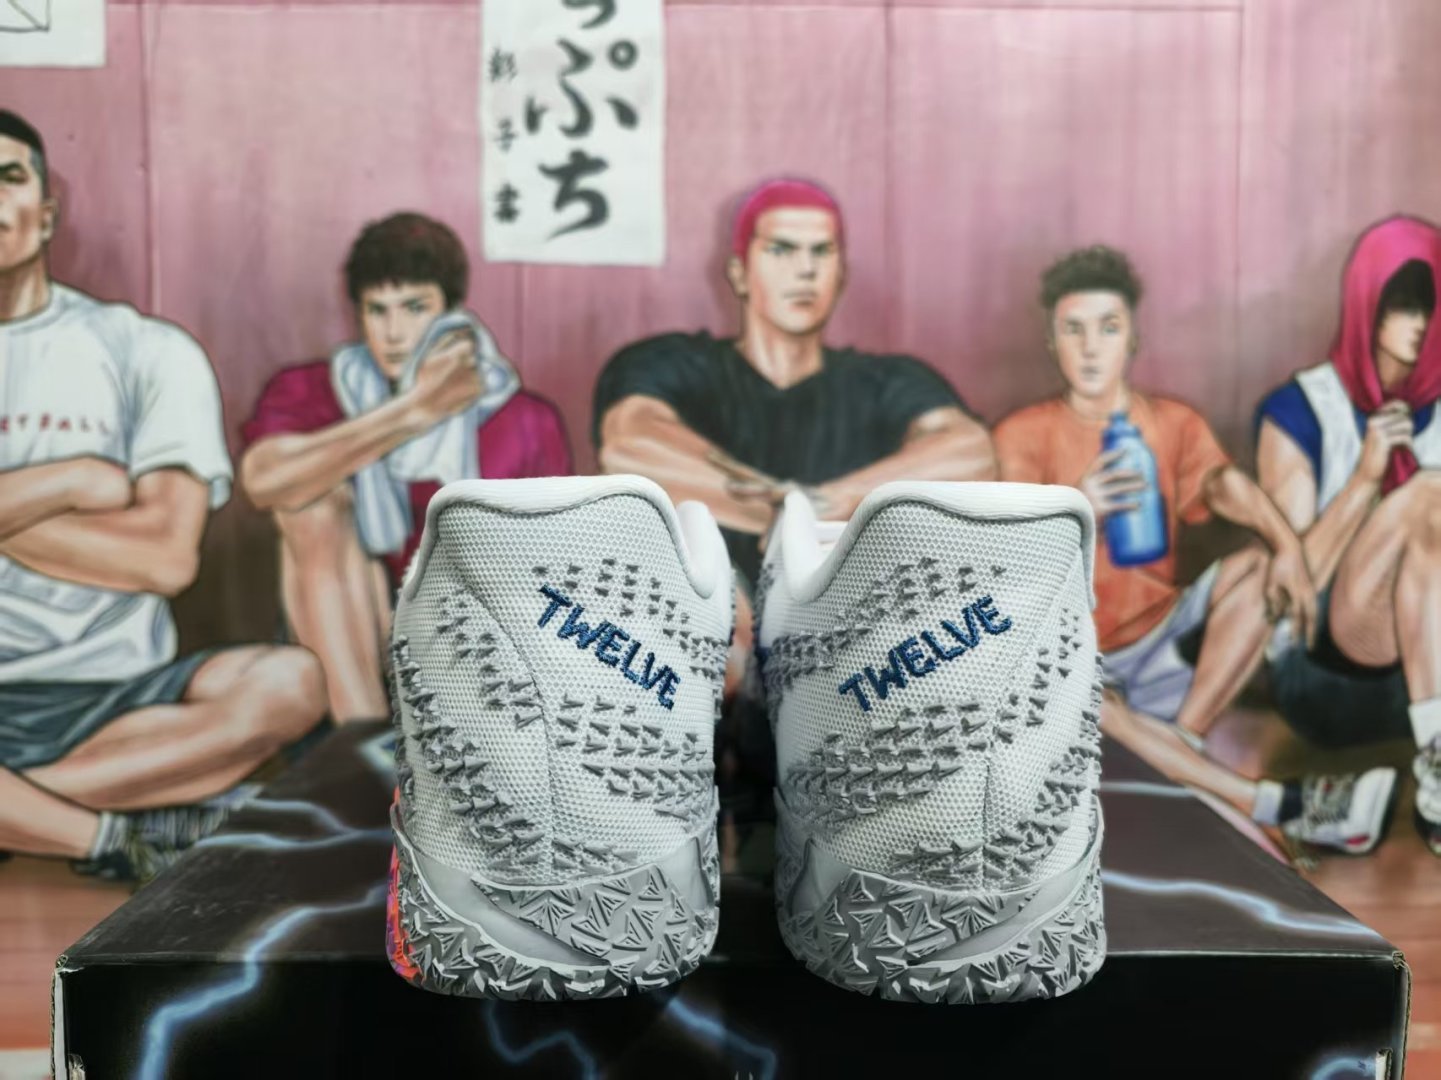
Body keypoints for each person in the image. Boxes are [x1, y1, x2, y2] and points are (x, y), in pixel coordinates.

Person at [0, 111, 327, 881]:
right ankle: (108, 835)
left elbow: (164, 558)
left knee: (291, 682)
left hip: (120, 696)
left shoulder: (144, 350)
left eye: (7, 178)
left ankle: (24, 814)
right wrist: (73, 481)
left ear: (46, 213)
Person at [995, 244, 1395, 853]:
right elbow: (1009, 560)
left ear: (1133, 338)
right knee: (1078, 692)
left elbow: (1222, 485)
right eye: (1073, 330)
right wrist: (1077, 504)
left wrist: (1286, 544)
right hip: (1077, 656)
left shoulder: (1172, 422)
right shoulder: (1020, 434)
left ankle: (1179, 747)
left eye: (1108, 327)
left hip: (1166, 645)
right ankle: (1274, 802)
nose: (1091, 346)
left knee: (1260, 567)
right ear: (1052, 342)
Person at [241, 213, 571, 723]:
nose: (394, 334)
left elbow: (550, 565)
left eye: (415, 308)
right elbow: (263, 482)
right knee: (312, 503)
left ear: (449, 314)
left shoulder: (524, 419)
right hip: (353, 632)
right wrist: (412, 411)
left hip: (473, 635)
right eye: (378, 311)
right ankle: (363, 741)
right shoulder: (314, 389)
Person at [592, 178, 996, 595]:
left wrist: (826, 503)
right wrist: (793, 513)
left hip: (849, 612)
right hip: (704, 613)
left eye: (822, 251)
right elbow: (632, 445)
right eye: (781, 249)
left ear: (842, 274)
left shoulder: (889, 379)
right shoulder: (670, 363)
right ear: (739, 273)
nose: (806, 269)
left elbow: (969, 452)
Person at [1255, 216, 1441, 855]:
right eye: (1404, 305)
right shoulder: (1301, 410)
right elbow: (1288, 590)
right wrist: (1364, 479)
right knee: (1429, 494)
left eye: (1431, 306)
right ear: (1368, 305)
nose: (1420, 323)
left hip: (1417, 676)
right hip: (1324, 671)